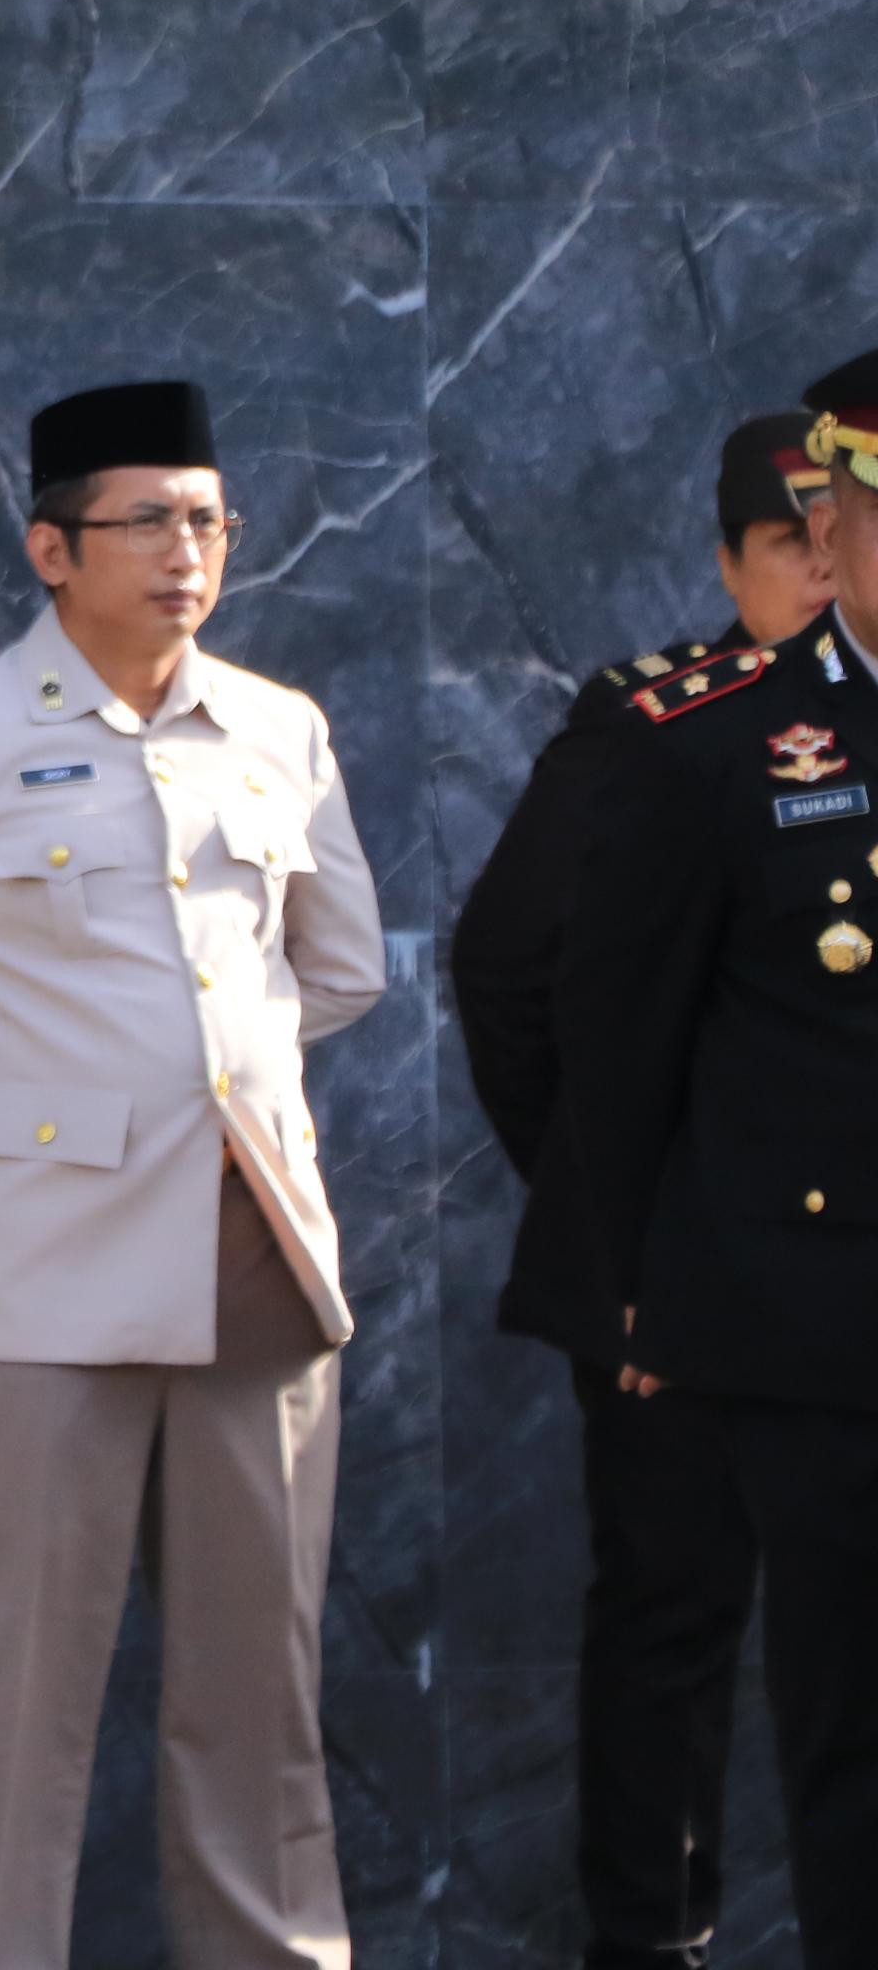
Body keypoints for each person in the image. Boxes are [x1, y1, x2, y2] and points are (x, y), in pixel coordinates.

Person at [0, 378, 386, 1970]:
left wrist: (200, 1114)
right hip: (37, 1282)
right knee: (9, 1714)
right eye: (148, 521)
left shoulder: (279, 729)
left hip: (255, 1265)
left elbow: (341, 972)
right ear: (52, 548)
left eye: (209, 520)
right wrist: (27, 1116)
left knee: (261, 1714)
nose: (187, 552)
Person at [450, 413, 833, 1970]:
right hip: (685, 1285)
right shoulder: (658, 727)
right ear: (730, 563)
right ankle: (648, 1944)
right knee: (674, 1626)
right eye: (794, 548)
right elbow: (510, 975)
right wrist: (633, 1225)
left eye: (849, 540)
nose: (830, 575)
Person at [558, 352, 878, 1970]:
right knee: (857, 1754)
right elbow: (616, 1060)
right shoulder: (710, 743)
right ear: (835, 524)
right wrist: (640, 1305)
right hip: (819, 1339)